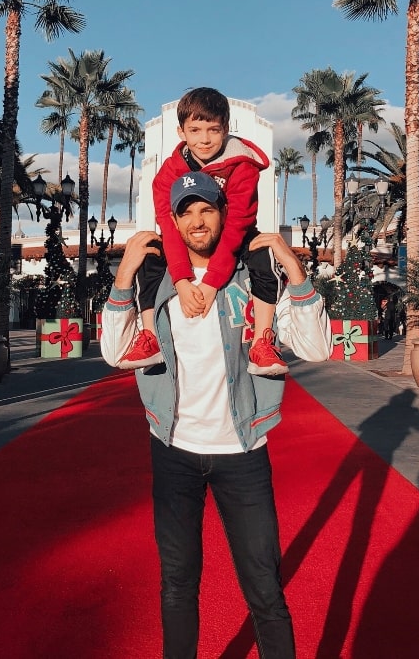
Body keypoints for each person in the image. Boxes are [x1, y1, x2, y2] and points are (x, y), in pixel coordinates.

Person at [101, 172, 332, 659]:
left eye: (206, 209)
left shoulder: (254, 279)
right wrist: (123, 277)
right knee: (178, 586)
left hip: (243, 452)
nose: (196, 220)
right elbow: (117, 353)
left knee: (265, 588)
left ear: (224, 214)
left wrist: (294, 267)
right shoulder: (157, 282)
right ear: (174, 222)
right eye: (185, 212)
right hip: (174, 451)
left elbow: (316, 347)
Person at [121, 86, 289, 376]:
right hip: (189, 236)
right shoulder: (166, 175)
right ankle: (149, 336)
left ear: (226, 129)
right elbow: (170, 228)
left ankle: (262, 341)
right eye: (195, 130)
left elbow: (236, 225)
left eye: (213, 130)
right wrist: (183, 281)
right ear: (181, 132)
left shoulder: (242, 166)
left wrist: (211, 284)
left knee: (264, 255)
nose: (205, 139)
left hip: (234, 232)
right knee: (150, 254)